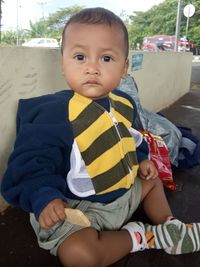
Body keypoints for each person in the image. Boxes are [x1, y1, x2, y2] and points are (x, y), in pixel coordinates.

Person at [1, 7, 200, 267]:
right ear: (63, 62)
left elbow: (129, 139)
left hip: (122, 196)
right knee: (79, 255)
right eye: (80, 56)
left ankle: (169, 225)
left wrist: (142, 161)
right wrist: (45, 197)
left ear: (124, 66)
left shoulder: (124, 104)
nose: (92, 68)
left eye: (106, 58)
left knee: (153, 181)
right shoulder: (53, 113)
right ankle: (144, 236)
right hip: (79, 210)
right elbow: (29, 165)